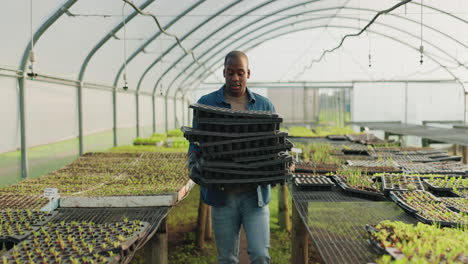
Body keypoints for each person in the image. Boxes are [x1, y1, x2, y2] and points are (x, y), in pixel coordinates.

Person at [188, 51, 275, 264]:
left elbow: (273, 146)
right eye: (230, 72)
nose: (235, 78)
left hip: (255, 196)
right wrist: (194, 164)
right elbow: (196, 144)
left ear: (248, 74)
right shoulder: (207, 104)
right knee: (226, 258)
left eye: (240, 73)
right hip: (222, 195)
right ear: (224, 73)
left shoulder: (264, 106)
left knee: (260, 255)